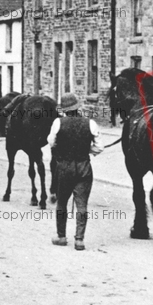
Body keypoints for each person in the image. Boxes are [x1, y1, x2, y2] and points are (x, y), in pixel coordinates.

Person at [48, 93, 104, 250]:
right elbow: (100, 147)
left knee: (62, 203)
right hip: (84, 167)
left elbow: (51, 142)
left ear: (64, 110)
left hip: (64, 167)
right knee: (82, 204)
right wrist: (88, 150)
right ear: (78, 107)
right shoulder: (90, 123)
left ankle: (61, 236)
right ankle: (79, 240)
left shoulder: (58, 123)